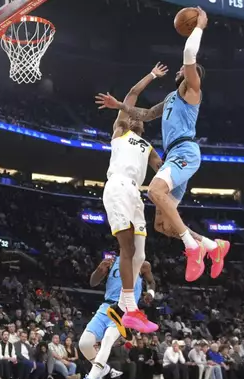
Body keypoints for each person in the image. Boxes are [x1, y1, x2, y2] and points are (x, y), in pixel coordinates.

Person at [94, 7, 230, 283]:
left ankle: (192, 250)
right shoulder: (170, 97)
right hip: (173, 156)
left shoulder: (193, 90)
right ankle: (212, 247)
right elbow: (142, 114)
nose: (181, 69)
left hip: (185, 151)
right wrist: (118, 105)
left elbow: (189, 57)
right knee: (162, 225)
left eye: (185, 70)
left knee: (155, 190)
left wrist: (198, 27)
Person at [94, 64, 166, 335]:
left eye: (139, 119)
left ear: (143, 126)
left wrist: (176, 168)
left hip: (136, 193)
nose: (135, 119)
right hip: (118, 187)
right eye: (131, 117)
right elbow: (133, 95)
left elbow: (161, 167)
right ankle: (128, 307)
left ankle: (130, 308)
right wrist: (151, 75)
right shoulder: (120, 132)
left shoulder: (147, 147)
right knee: (127, 248)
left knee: (141, 253)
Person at [76, 257, 155, 379]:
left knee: (108, 340)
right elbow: (93, 282)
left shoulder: (143, 264)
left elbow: (151, 282)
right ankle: (103, 368)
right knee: (84, 344)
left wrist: (151, 293)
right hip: (106, 307)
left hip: (125, 309)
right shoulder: (112, 261)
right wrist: (99, 269)